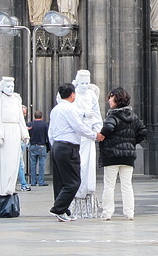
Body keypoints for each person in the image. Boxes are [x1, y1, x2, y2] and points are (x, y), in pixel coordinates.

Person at [48, 83, 105, 222]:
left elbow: (51, 130)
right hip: (68, 147)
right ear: (73, 94)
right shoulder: (69, 109)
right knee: (73, 181)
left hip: (57, 145)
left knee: (60, 181)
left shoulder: (55, 110)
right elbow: (79, 127)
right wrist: (94, 135)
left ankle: (63, 210)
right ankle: (58, 209)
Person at [98, 87, 148, 221]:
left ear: (117, 99)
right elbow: (142, 131)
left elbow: (108, 128)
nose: (109, 100)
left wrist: (102, 136)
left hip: (112, 155)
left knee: (109, 185)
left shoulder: (113, 115)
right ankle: (129, 212)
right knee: (127, 185)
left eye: (111, 97)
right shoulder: (134, 117)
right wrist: (131, 143)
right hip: (128, 156)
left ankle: (107, 213)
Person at [0, 77, 30, 196]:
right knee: (4, 160)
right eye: (8, 86)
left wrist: (24, 133)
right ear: (2, 88)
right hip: (4, 131)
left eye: (12, 86)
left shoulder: (16, 101)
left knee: (14, 160)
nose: (10, 89)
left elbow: (20, 119)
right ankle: (1, 187)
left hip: (15, 130)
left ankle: (10, 186)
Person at [69, 70, 103, 217]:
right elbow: (69, 112)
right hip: (77, 134)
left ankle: (87, 190)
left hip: (88, 135)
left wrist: (97, 129)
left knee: (88, 165)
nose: (84, 86)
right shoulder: (73, 95)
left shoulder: (91, 95)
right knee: (79, 164)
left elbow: (97, 112)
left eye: (87, 83)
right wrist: (83, 114)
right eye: (82, 83)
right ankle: (76, 193)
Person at [28, 110, 49, 187]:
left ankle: (33, 181)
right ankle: (41, 181)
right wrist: (49, 146)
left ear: (34, 116)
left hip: (33, 145)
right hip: (42, 146)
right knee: (41, 164)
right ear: (42, 116)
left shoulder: (30, 124)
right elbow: (47, 136)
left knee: (33, 164)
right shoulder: (44, 125)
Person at [17, 105, 31, 191]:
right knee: (20, 165)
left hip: (21, 143)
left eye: (25, 114)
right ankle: (23, 184)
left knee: (20, 165)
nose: (24, 115)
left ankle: (23, 183)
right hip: (17, 144)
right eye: (23, 113)